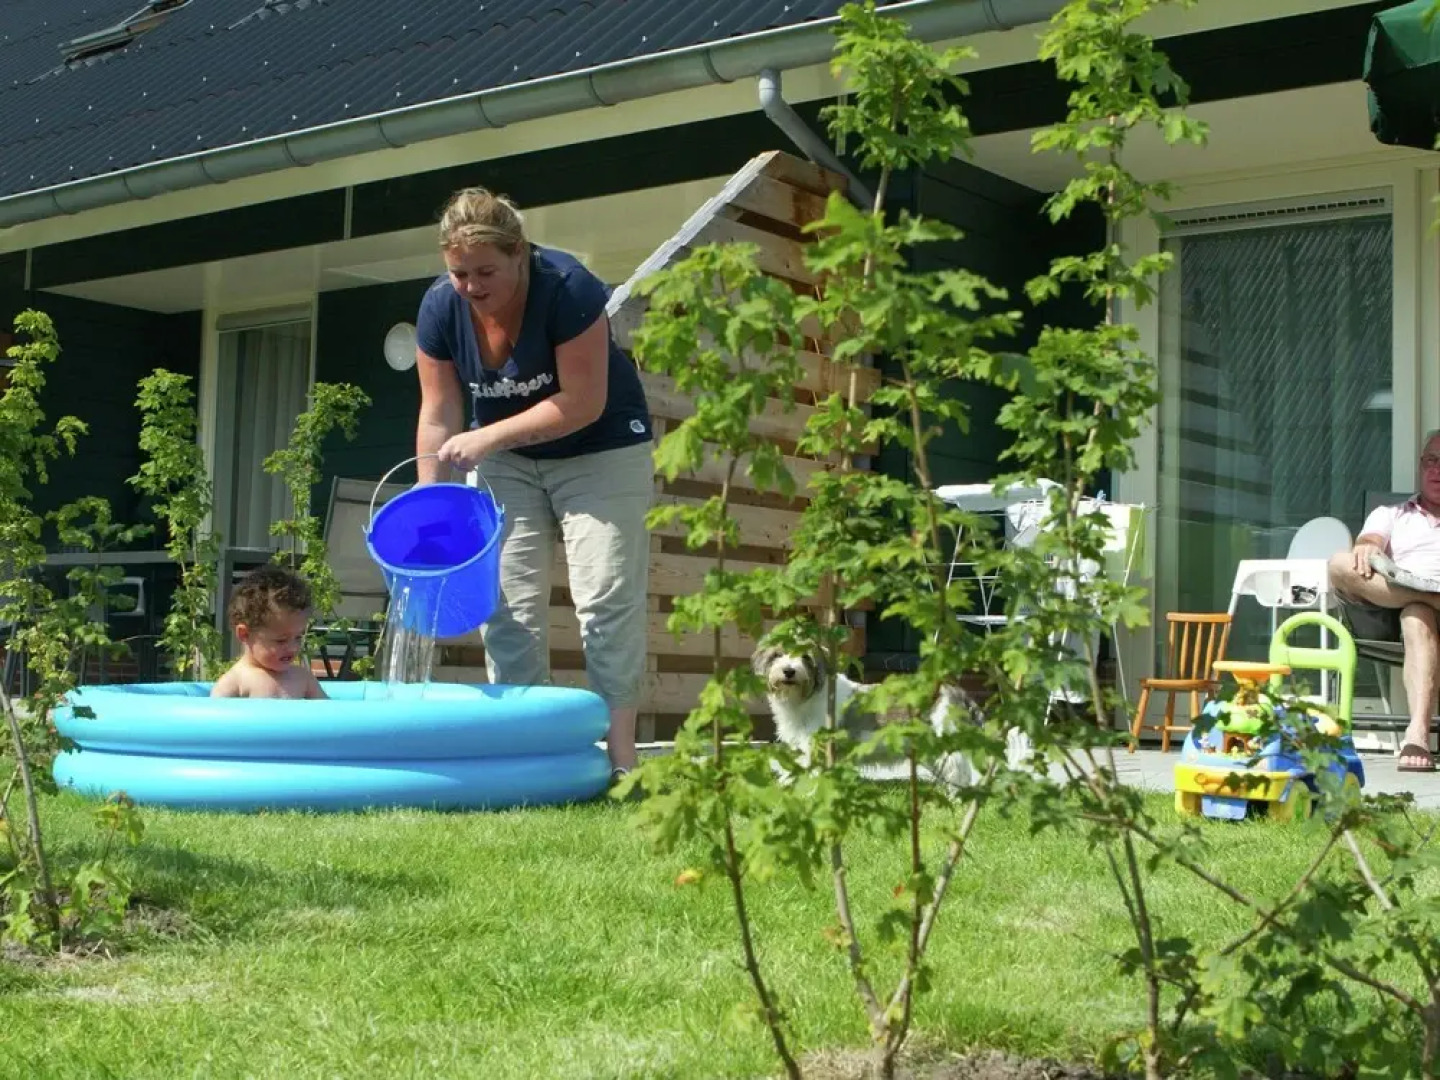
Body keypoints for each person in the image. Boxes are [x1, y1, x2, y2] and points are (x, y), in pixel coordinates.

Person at [413, 186, 653, 782]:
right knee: (510, 609)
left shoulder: (568, 288)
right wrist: (430, 494)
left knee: (605, 598)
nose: (470, 285)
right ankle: (528, 758)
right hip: (508, 459)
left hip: (601, 448)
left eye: (485, 270)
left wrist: (486, 439)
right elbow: (438, 413)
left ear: (519, 253)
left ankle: (619, 761)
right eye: (459, 272)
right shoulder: (441, 308)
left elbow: (582, 402)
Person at [1328, 430, 1440, 772]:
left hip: (1419, 619)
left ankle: (1417, 734)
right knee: (1338, 563)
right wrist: (1367, 546)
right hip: (1386, 610)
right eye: (1431, 461)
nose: (1437, 470)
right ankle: (1432, 598)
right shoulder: (1391, 513)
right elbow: (1368, 543)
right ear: (1421, 467)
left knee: (1417, 614)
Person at [210, 564, 327, 700]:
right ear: (244, 634)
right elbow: (215, 718)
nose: (293, 647)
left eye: (298, 637)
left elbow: (332, 716)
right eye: (281, 640)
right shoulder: (235, 682)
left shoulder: (303, 679)